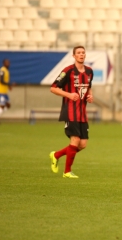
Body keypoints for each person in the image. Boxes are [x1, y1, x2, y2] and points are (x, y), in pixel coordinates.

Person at [48, 46, 94, 179]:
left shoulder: (90, 71)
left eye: (83, 52)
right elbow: (53, 88)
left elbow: (89, 87)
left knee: (83, 144)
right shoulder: (67, 71)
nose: (81, 55)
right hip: (70, 111)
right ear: (73, 56)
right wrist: (68, 95)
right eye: (78, 53)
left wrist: (90, 96)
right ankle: (67, 172)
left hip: (82, 113)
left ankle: (56, 155)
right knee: (75, 140)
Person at [0, 59, 12, 125]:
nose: (8, 64)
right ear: (4, 63)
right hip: (0, 91)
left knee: (8, 105)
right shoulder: (2, 70)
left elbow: (6, 81)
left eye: (8, 63)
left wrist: (9, 86)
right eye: (6, 63)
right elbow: (1, 81)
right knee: (2, 106)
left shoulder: (7, 71)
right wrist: (9, 84)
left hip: (4, 91)